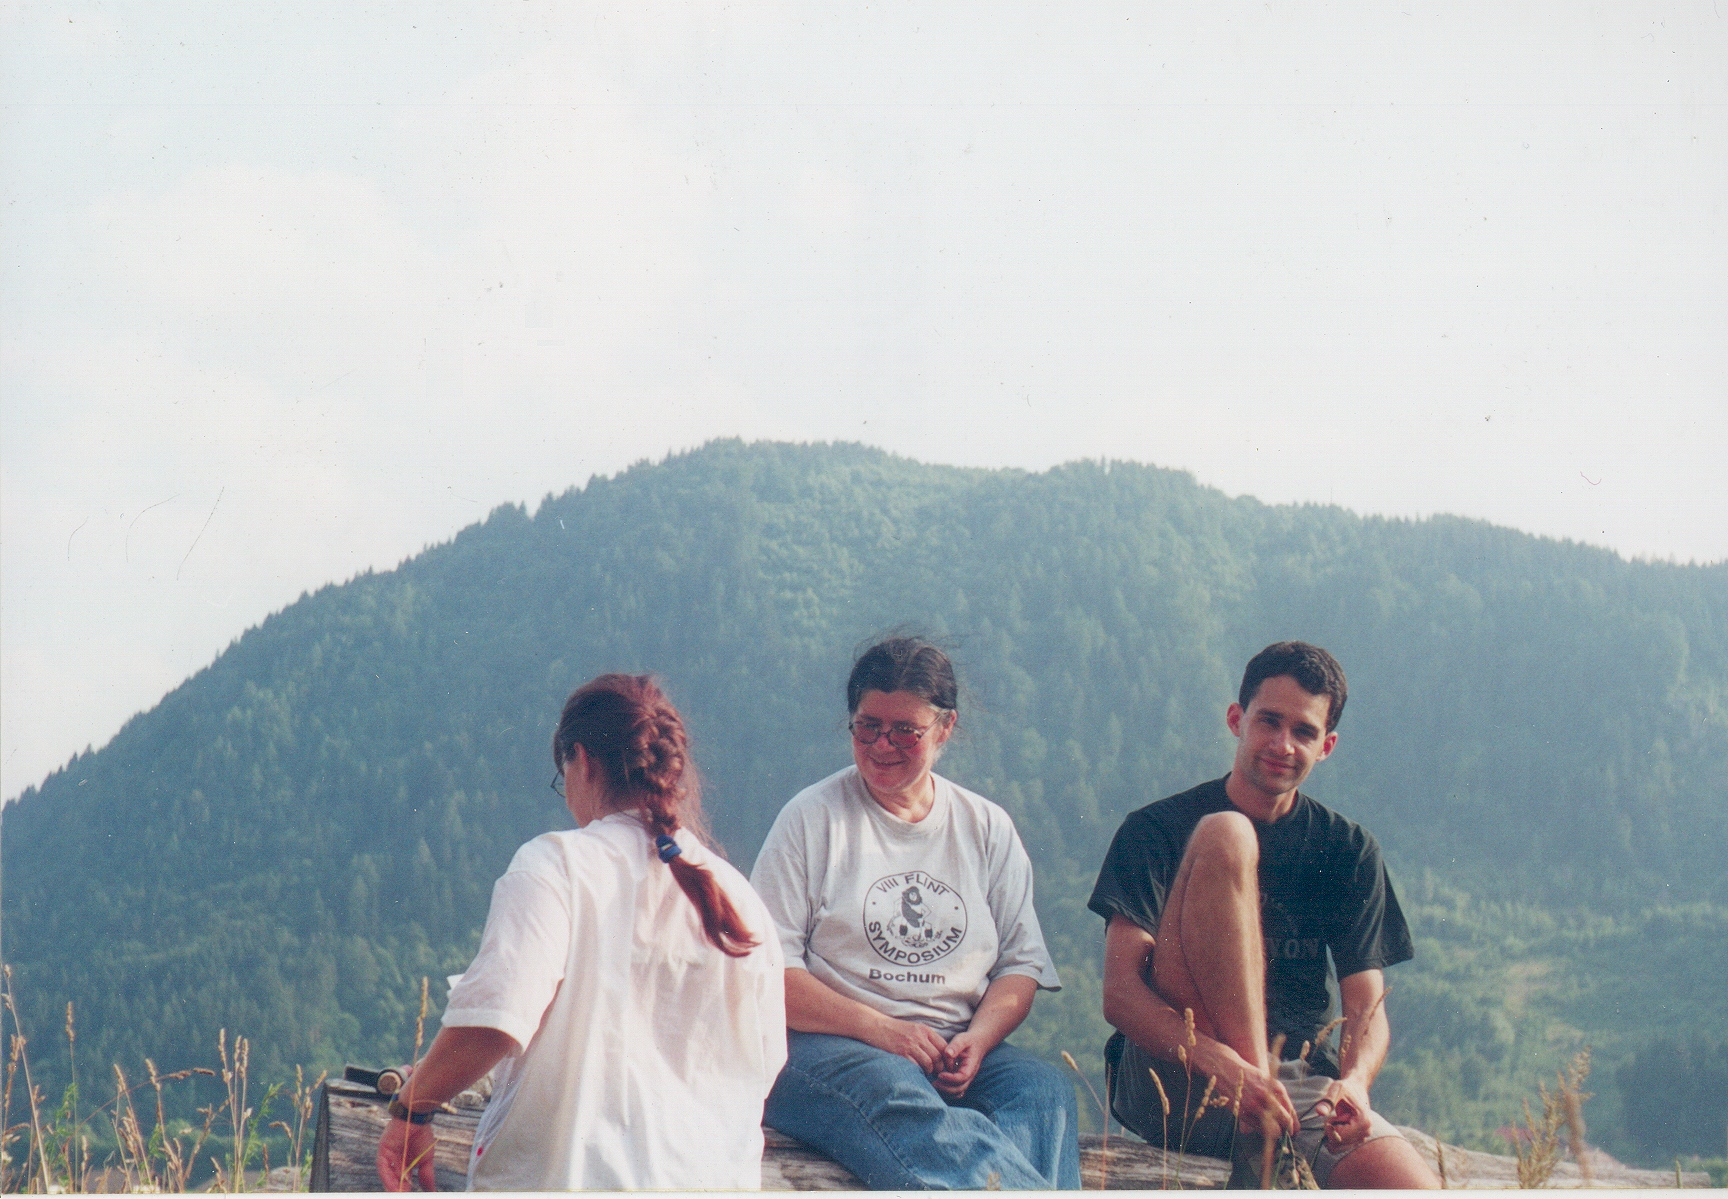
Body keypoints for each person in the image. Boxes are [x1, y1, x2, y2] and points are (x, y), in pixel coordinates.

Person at [375, 674, 786, 1191]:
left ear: (583, 761)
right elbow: (764, 1064)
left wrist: (412, 1109)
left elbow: (495, 1020)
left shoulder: (555, 866)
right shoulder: (738, 900)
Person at [1089, 642, 1439, 1189]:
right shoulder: (1156, 829)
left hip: (1296, 1087)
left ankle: (1269, 1137)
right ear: (1237, 719)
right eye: (1269, 721)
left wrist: (1354, 1083)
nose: (1283, 745)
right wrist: (1234, 1072)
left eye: (1304, 732)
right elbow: (1121, 995)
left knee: (1414, 1187)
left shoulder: (1347, 849)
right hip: (1181, 1070)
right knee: (1226, 833)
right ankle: (1265, 1139)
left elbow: (1366, 1006)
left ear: (1326, 746)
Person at [750, 637, 1080, 1191]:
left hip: (953, 1047)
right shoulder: (810, 819)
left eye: (905, 730)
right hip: (830, 1046)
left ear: (945, 727)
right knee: (892, 1090)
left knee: (1040, 1092)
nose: (882, 744)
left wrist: (978, 1039)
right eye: (867, 727)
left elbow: (1021, 965)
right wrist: (884, 1031)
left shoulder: (985, 827)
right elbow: (766, 973)